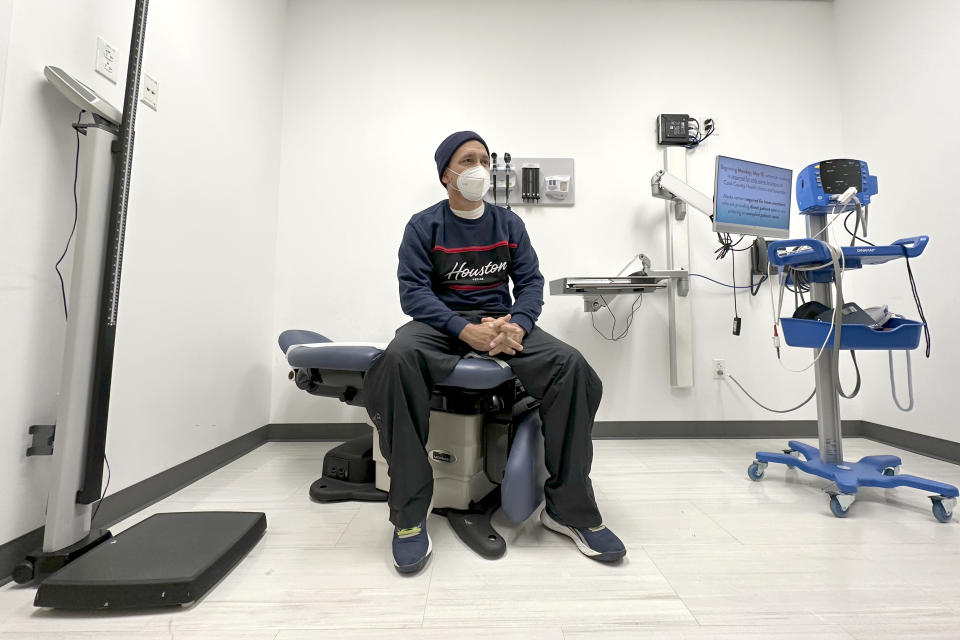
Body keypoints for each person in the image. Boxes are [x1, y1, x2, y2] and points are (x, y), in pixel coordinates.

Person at [365, 131, 625, 574]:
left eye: (484, 159)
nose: (478, 168)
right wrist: (465, 330)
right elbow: (413, 294)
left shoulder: (509, 224)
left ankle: (568, 510)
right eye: (467, 161)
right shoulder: (423, 226)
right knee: (395, 360)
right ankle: (409, 516)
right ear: (446, 174)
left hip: (503, 324)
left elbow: (529, 284)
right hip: (440, 326)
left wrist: (516, 326)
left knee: (572, 367)